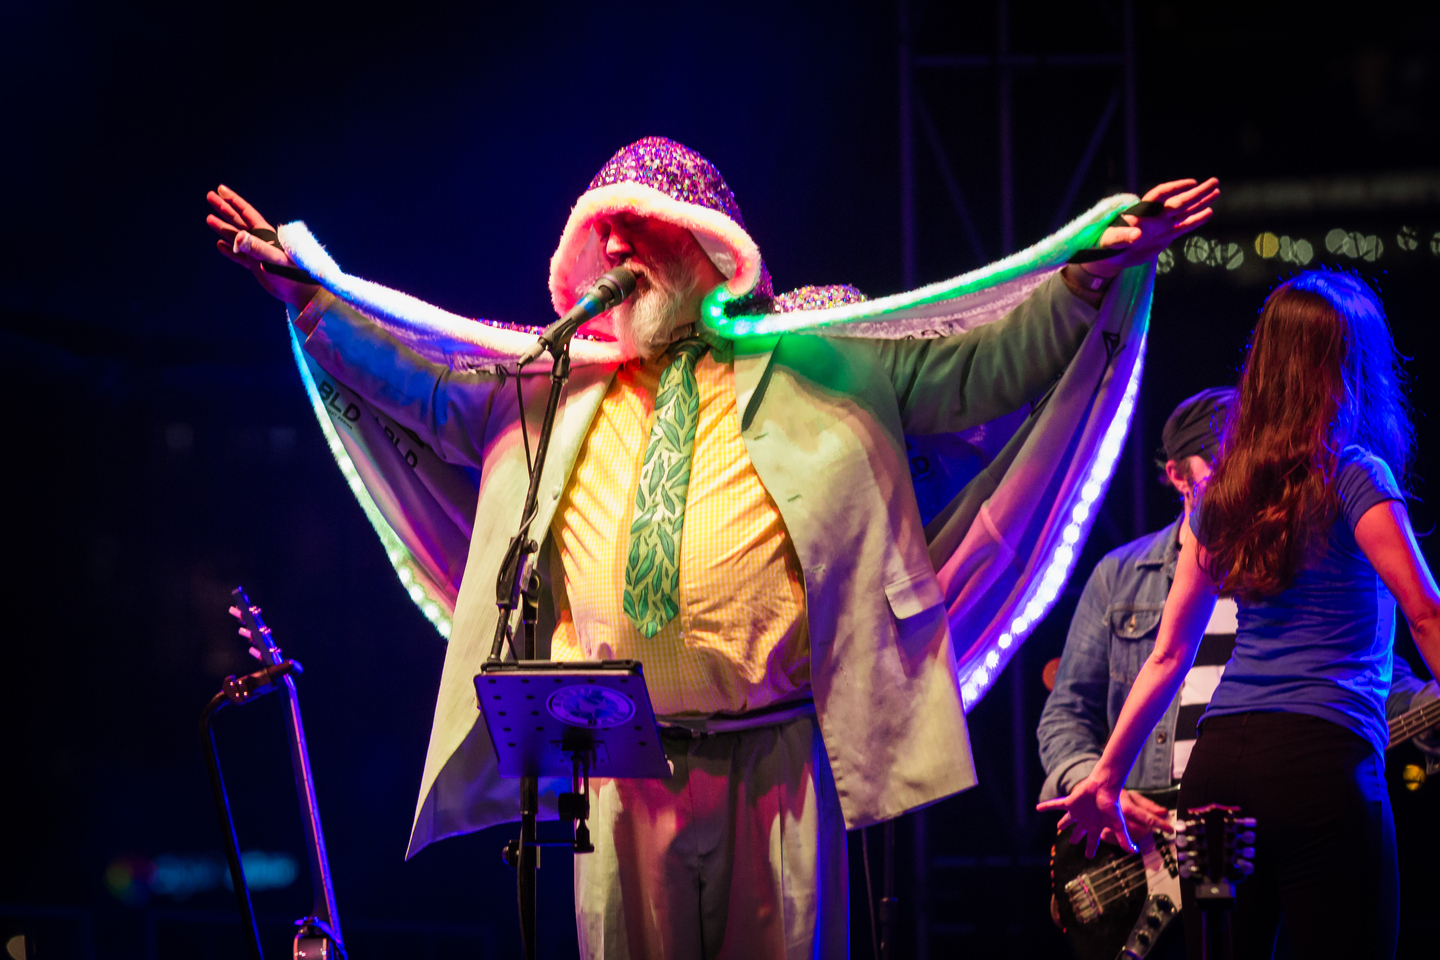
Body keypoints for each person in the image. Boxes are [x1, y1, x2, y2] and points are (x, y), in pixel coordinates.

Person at [208, 137, 1217, 958]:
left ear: (707, 245)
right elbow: (421, 383)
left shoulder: (820, 355)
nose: (616, 249)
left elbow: (979, 365)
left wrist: (1085, 275)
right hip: (615, 762)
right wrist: (313, 299)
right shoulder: (553, 385)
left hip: (778, 756)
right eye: (602, 233)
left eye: (639, 228)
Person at [1038, 272, 1440, 959]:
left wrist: (1105, 775)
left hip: (1219, 772)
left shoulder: (1224, 492)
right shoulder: (1354, 473)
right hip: (1323, 763)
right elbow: (1425, 611)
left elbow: (1169, 655)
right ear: (1353, 365)